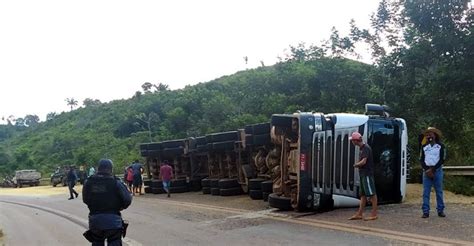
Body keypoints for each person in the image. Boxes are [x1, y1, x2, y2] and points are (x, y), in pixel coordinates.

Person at [82, 159, 132, 246]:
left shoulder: (89, 182)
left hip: (95, 221)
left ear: (98, 168)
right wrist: (120, 207)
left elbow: (85, 200)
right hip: (113, 221)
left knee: (97, 241)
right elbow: (127, 200)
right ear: (111, 169)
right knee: (114, 241)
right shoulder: (116, 182)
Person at [348, 132, 378, 221]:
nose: (352, 142)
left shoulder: (365, 148)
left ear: (356, 141)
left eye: (352, 140)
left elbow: (364, 161)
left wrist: (355, 165)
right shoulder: (362, 148)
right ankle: (360, 214)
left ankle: (374, 214)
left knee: (372, 194)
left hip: (367, 174)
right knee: (363, 195)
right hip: (363, 174)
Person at [420, 127, 446, 218]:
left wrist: (433, 170)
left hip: (437, 171)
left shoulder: (441, 146)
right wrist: (427, 169)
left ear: (435, 135)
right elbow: (421, 160)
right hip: (426, 171)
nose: (429, 136)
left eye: (430, 134)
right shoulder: (424, 147)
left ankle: (440, 210)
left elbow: (442, 160)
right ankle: (425, 211)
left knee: (439, 191)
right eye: (427, 134)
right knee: (426, 192)